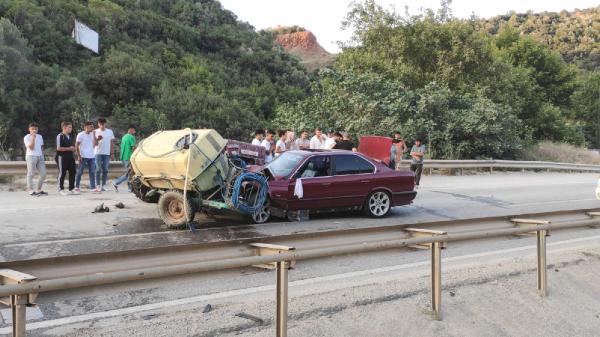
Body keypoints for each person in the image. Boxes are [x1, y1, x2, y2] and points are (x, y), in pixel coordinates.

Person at [24, 122, 47, 196]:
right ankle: (30, 190)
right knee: (30, 173)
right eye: (32, 129)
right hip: (31, 156)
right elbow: (31, 147)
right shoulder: (27, 137)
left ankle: (38, 189)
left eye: (36, 129)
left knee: (43, 174)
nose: (34, 130)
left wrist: (42, 154)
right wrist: (33, 138)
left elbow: (41, 146)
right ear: (29, 129)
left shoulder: (40, 136)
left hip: (40, 156)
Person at [75, 121, 99, 193]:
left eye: (92, 126)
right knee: (80, 172)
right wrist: (79, 156)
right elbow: (76, 146)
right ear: (86, 127)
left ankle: (93, 187)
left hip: (92, 156)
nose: (92, 128)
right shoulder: (80, 135)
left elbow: (96, 144)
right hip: (83, 156)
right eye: (91, 126)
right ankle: (76, 187)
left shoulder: (92, 134)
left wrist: (94, 135)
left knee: (92, 172)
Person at [112, 125, 136, 192]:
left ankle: (129, 187)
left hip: (123, 157)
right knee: (130, 173)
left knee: (130, 173)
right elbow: (133, 148)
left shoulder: (124, 137)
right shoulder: (131, 137)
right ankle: (117, 182)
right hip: (129, 157)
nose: (134, 132)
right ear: (130, 129)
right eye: (134, 130)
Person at [56, 121, 77, 195]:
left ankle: (71, 188)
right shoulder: (60, 136)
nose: (71, 129)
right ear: (64, 128)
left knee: (73, 172)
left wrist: (73, 149)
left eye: (71, 127)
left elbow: (71, 147)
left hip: (70, 157)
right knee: (62, 173)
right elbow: (58, 148)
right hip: (62, 157)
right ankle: (60, 189)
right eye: (69, 127)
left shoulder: (70, 136)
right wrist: (69, 148)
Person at [94, 118, 115, 191]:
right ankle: (97, 185)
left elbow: (112, 143)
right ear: (98, 124)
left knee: (105, 169)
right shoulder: (95, 131)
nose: (102, 125)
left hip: (106, 153)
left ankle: (104, 185)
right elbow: (93, 143)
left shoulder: (110, 131)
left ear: (105, 124)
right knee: (98, 169)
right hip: (97, 153)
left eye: (103, 124)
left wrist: (112, 153)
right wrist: (97, 139)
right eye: (101, 124)